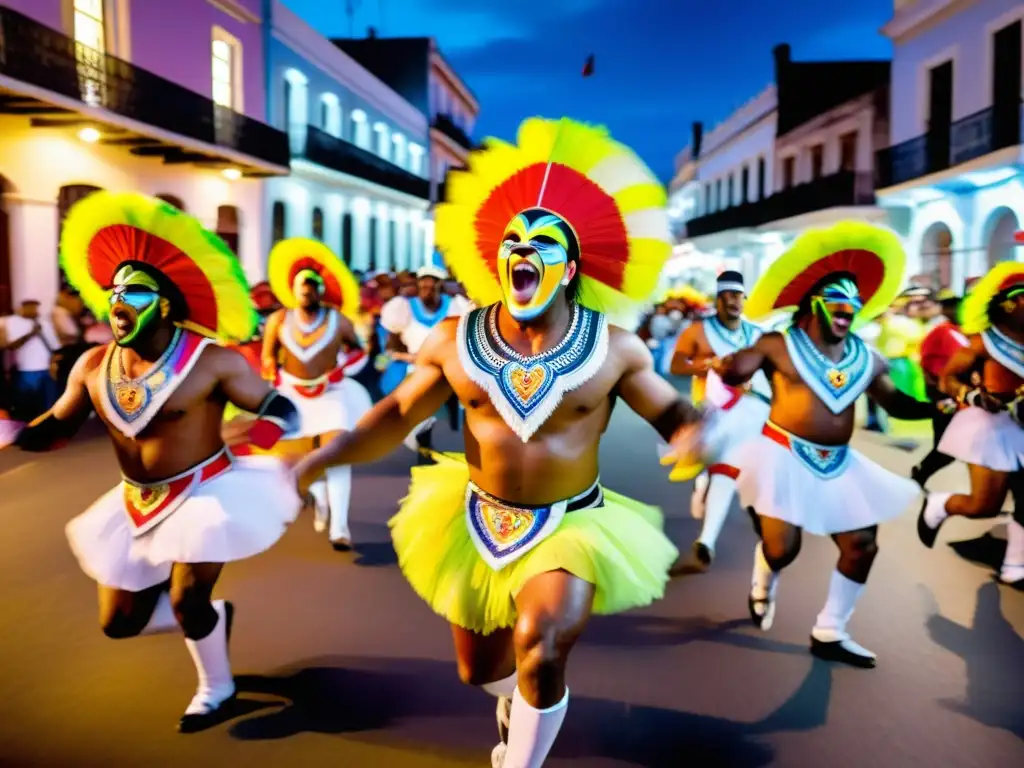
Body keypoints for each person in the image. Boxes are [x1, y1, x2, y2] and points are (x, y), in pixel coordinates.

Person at [291, 117, 701, 768]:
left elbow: (672, 411)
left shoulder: (615, 347)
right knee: (479, 670)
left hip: (573, 523)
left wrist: (692, 435)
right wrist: (317, 458)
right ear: (497, 258)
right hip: (477, 521)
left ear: (569, 269)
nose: (524, 250)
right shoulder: (455, 338)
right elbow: (396, 411)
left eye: (542, 243)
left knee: (539, 641)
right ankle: (518, 699)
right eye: (514, 239)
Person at [8, 192, 303, 731]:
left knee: (188, 595)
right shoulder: (94, 364)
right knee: (118, 624)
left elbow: (279, 405)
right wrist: (14, 433)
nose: (118, 301)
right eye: (114, 290)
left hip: (206, 491)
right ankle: (210, 621)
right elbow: (57, 426)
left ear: (165, 303)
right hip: (135, 501)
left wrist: (253, 432)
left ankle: (218, 689)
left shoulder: (211, 359)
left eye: (136, 291)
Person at [714, 221, 932, 667]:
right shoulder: (778, 344)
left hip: (839, 464)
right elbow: (738, 371)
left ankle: (831, 630)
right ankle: (763, 579)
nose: (849, 306)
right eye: (838, 298)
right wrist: (730, 366)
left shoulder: (866, 357)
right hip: (782, 455)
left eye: (855, 301)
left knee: (862, 545)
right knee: (783, 550)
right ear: (816, 304)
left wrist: (940, 406)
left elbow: (897, 403)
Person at [259, 238, 371, 551]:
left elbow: (360, 352)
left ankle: (340, 528)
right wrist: (270, 371)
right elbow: (267, 356)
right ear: (293, 290)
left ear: (320, 290)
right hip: (292, 395)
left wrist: (342, 369)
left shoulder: (339, 320)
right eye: (302, 286)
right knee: (301, 459)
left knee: (337, 455)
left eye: (312, 286)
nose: (307, 291)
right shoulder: (278, 320)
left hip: (331, 394)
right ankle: (320, 498)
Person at [917, 261, 1024, 587]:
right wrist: (975, 397)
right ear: (1009, 303)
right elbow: (948, 379)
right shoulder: (982, 343)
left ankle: (1015, 565)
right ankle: (941, 504)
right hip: (991, 429)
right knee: (985, 505)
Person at [667, 271, 770, 571]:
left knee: (733, 469)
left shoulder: (757, 334)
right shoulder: (699, 332)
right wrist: (708, 364)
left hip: (752, 413)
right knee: (717, 468)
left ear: (744, 299)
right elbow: (676, 365)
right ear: (718, 300)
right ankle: (703, 484)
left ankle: (707, 541)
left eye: (738, 296)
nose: (733, 302)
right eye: (727, 297)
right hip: (711, 410)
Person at [378, 251, 470, 457]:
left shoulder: (454, 307)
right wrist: (403, 356)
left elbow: (462, 335)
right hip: (412, 365)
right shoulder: (404, 308)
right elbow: (392, 342)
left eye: (433, 284)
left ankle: (428, 444)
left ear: (441, 285)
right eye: (423, 284)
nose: (427, 289)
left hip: (442, 366)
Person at [911, 291, 968, 488]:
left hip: (960, 396)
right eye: (951, 306)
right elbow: (925, 361)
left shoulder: (962, 331)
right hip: (945, 396)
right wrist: (936, 392)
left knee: (955, 444)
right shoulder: (941, 331)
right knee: (946, 445)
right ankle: (920, 475)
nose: (957, 310)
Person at [1, 299, 59, 420]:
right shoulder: (11, 322)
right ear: (20, 308)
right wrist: (31, 334)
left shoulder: (44, 322)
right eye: (28, 307)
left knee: (48, 406)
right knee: (26, 407)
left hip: (46, 371)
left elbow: (55, 347)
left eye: (34, 307)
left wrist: (54, 365)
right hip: (24, 371)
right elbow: (10, 346)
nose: (32, 310)